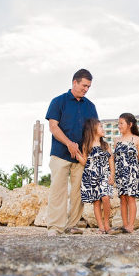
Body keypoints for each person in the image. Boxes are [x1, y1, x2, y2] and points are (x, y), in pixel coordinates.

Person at [45, 69, 98, 236]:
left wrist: (87, 153)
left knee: (78, 193)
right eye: (84, 85)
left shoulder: (90, 106)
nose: (86, 89)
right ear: (74, 82)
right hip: (60, 154)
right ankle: (55, 227)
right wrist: (69, 143)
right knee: (58, 190)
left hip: (81, 157)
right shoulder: (58, 101)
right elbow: (53, 127)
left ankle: (72, 225)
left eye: (88, 87)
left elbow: (94, 132)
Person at [79, 118, 115, 234]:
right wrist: (76, 154)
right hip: (91, 176)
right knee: (96, 202)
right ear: (93, 129)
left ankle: (106, 224)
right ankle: (101, 227)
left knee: (105, 198)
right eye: (100, 127)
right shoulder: (87, 145)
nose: (103, 129)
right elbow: (84, 161)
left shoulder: (105, 145)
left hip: (104, 175)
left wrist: (112, 174)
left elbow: (111, 159)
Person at [111, 113, 139, 234]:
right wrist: (112, 175)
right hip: (120, 174)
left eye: (121, 123)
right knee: (123, 199)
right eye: (118, 123)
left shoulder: (136, 139)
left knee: (131, 198)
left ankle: (131, 226)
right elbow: (113, 160)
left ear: (130, 124)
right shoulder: (116, 141)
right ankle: (125, 225)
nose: (119, 126)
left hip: (132, 173)